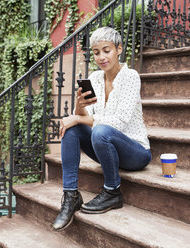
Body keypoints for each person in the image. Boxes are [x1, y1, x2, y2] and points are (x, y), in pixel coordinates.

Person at [53, 27, 151, 231]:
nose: (101, 57)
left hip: (136, 152)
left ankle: (113, 191)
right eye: (96, 52)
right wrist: (79, 106)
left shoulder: (130, 77)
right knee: (72, 130)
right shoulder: (95, 78)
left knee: (100, 130)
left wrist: (77, 118)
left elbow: (119, 122)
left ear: (119, 49)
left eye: (107, 50)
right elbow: (83, 116)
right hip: (105, 148)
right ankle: (71, 195)